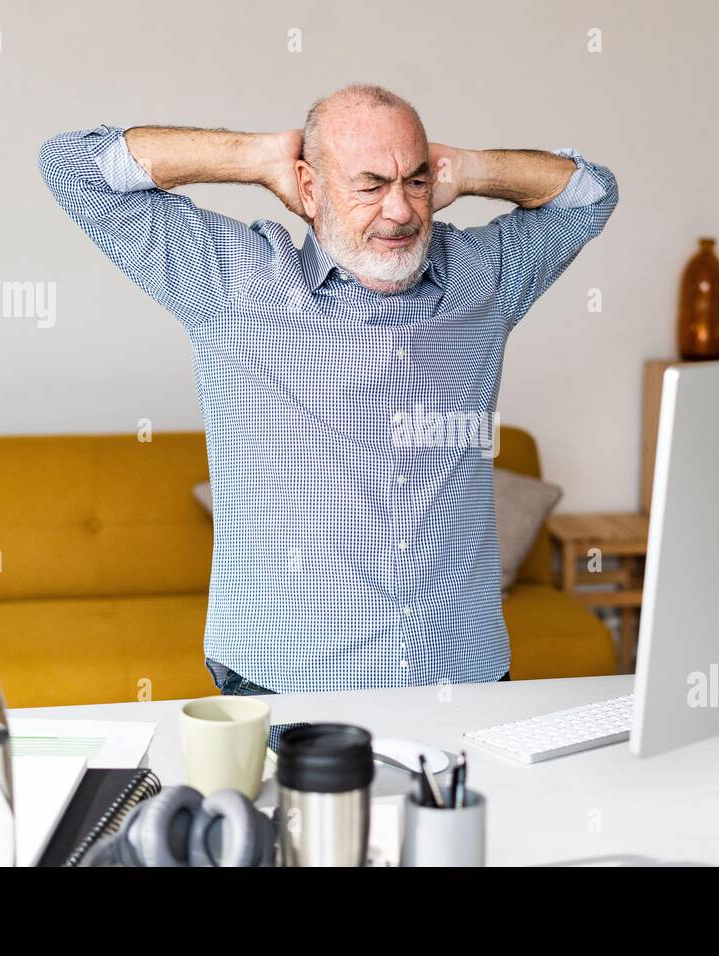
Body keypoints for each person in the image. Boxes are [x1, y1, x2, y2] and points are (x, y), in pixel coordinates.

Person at [38, 83, 618, 696]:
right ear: (310, 188)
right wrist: (258, 159)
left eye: (416, 182)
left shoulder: (484, 277)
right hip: (288, 682)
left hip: (462, 674)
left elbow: (591, 195)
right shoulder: (232, 279)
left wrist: (469, 168)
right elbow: (72, 167)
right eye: (370, 184)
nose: (400, 212)